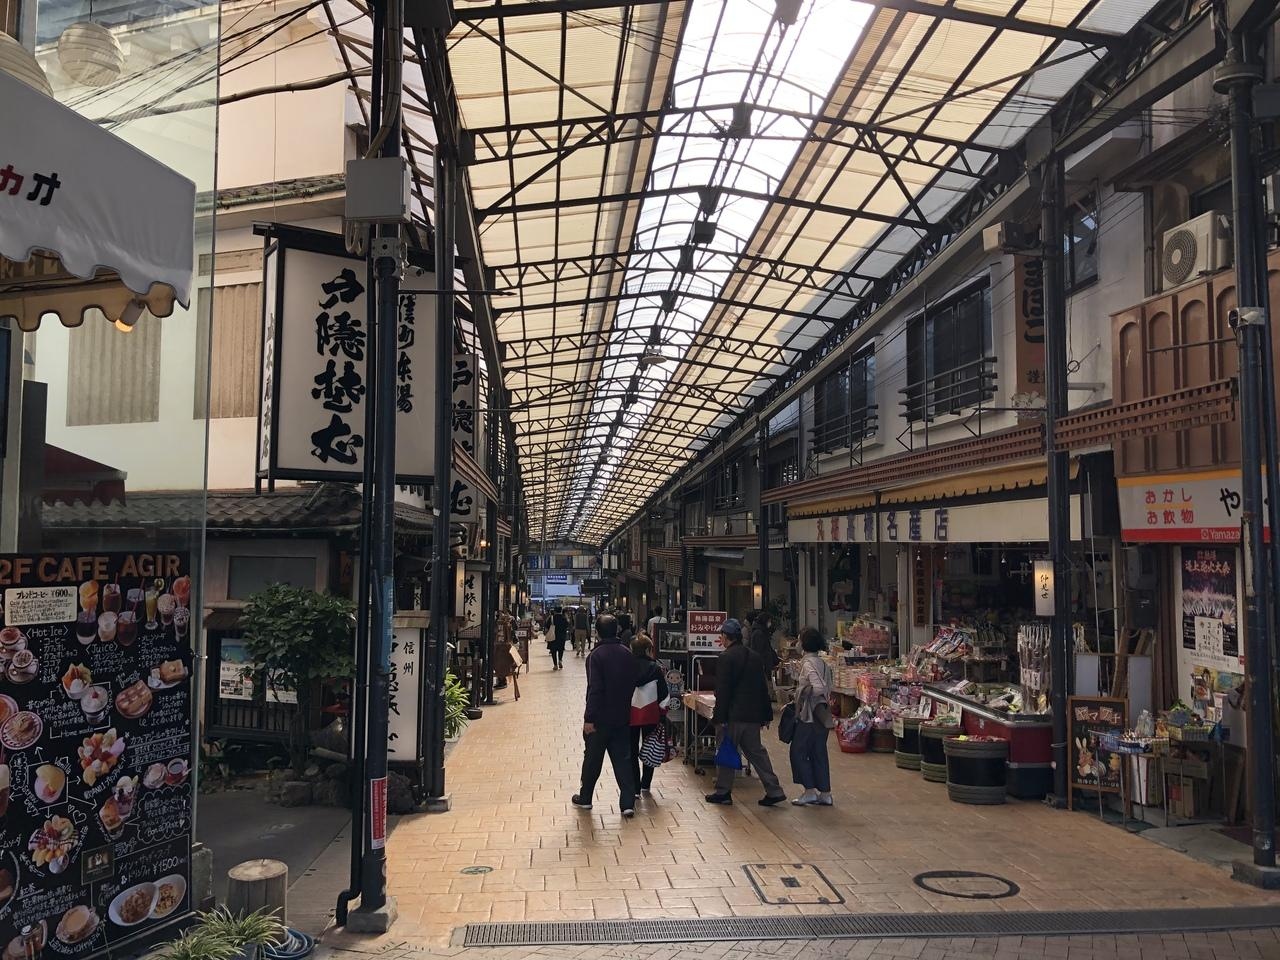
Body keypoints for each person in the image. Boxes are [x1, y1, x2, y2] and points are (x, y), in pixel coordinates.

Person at [705, 617, 786, 807]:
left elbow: (723, 690)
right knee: (757, 753)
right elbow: (762, 687)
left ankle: (723, 791)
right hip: (752, 716)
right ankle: (774, 790)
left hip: (733, 716)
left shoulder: (726, 658)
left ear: (726, 636)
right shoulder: (754, 656)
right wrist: (766, 714)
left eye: (722, 636)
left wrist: (719, 717)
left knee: (726, 750)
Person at [573, 614, 638, 817]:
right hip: (622, 716)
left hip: (600, 718)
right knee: (623, 760)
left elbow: (595, 689)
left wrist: (589, 718)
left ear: (598, 632)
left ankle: (586, 797)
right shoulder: (627, 653)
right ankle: (627, 803)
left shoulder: (596, 656)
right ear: (617, 630)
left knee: (592, 759)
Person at [789, 627, 833, 806]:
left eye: (799, 640)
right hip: (822, 714)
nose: (797, 643)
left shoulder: (808, 664)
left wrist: (803, 692)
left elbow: (818, 688)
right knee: (819, 752)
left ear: (805, 644)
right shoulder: (823, 663)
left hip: (809, 715)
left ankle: (809, 790)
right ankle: (825, 793)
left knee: (798, 751)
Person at [629, 634, 668, 797]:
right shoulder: (656, 669)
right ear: (647, 650)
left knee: (630, 751)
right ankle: (646, 783)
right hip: (651, 714)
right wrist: (662, 712)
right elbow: (664, 694)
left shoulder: (626, 668)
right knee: (650, 747)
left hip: (629, 715)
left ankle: (634, 787)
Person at [493, 632, 522, 701]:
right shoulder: (508, 646)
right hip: (508, 668)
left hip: (503, 669)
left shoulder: (504, 646)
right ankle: (502, 680)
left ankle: (502, 681)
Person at [545, 606, 570, 670]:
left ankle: (555, 665)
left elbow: (547, 626)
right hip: (562, 636)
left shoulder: (551, 618)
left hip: (553, 636)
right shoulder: (564, 618)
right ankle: (560, 660)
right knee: (561, 649)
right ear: (561, 611)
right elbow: (567, 625)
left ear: (555, 611)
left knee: (553, 651)